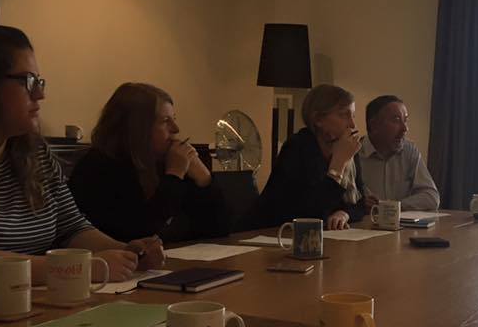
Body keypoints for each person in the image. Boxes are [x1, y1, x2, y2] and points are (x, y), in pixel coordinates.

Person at [0, 20, 164, 290]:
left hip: (33, 305)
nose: (40, 94)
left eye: (39, 81)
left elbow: (71, 228)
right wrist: (76, 268)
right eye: (28, 81)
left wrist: (126, 251)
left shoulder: (35, 154)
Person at [69, 83, 229, 243]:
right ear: (136, 127)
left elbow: (220, 228)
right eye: (165, 121)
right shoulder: (99, 167)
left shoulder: (168, 159)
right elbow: (139, 232)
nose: (176, 129)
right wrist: (174, 175)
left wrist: (204, 179)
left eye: (173, 119)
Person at [250, 84, 366, 230]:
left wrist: (344, 214)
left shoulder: (346, 147)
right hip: (273, 232)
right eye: (343, 115)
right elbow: (311, 211)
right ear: (318, 120)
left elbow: (361, 204)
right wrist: (338, 165)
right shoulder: (297, 147)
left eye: (353, 115)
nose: (352, 124)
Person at [358, 95, 440, 211]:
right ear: (374, 125)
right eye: (396, 120)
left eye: (405, 120)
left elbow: (431, 197)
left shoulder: (409, 150)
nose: (405, 129)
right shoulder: (353, 154)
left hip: (402, 222)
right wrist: (360, 203)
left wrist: (392, 207)